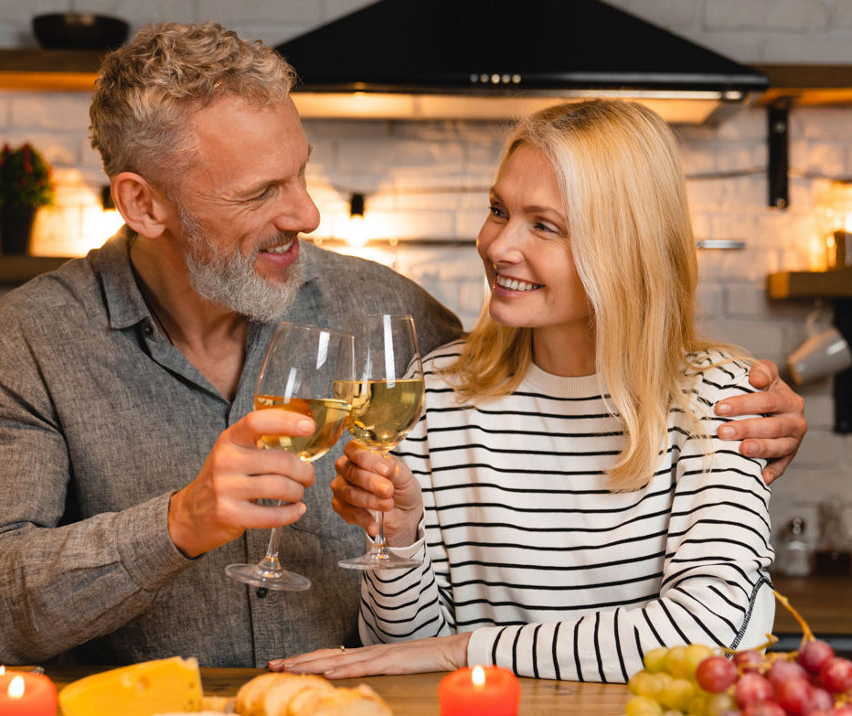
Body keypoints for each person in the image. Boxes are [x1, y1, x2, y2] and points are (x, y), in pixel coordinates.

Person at [0, 22, 806, 668]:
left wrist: (748, 422)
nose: (308, 214)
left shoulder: (392, 319)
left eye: (303, 171)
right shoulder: (34, 342)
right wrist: (180, 522)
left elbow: (560, 379)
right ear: (145, 204)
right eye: (262, 191)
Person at [273, 99, 778, 683]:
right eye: (498, 210)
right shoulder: (433, 391)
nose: (497, 246)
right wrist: (401, 540)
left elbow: (700, 633)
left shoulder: (721, 400)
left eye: (544, 225)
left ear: (624, 246)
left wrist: (461, 651)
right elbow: (400, 653)